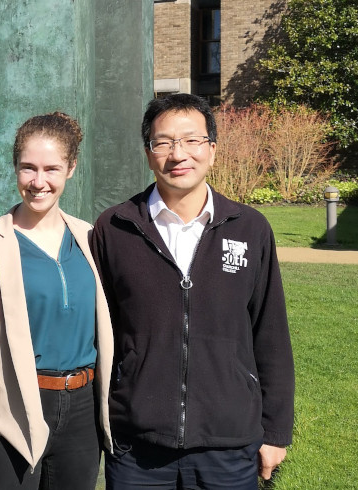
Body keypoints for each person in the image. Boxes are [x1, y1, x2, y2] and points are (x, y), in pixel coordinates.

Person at [90, 93, 294, 489]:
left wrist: (275, 432)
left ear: (212, 150)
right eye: (163, 142)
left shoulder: (249, 228)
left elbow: (270, 333)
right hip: (137, 446)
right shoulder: (115, 228)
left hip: (229, 442)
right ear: (149, 153)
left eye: (191, 140)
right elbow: (100, 330)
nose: (177, 153)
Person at [0, 112, 114, 490]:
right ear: (15, 169)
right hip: (9, 413)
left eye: (51, 168)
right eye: (27, 168)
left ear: (71, 168)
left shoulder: (89, 238)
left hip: (83, 413)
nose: (38, 182)